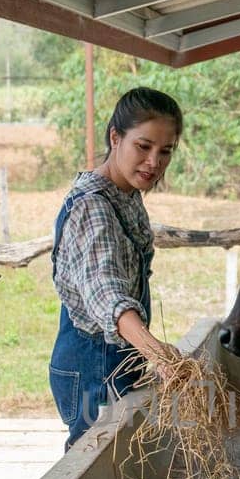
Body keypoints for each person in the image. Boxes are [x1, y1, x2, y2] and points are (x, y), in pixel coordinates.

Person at [49, 87, 183, 446]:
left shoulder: (125, 196)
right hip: (92, 365)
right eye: (143, 146)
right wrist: (155, 351)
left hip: (118, 359)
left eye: (165, 151)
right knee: (91, 462)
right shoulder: (92, 207)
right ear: (115, 137)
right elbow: (106, 294)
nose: (154, 162)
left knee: (118, 456)